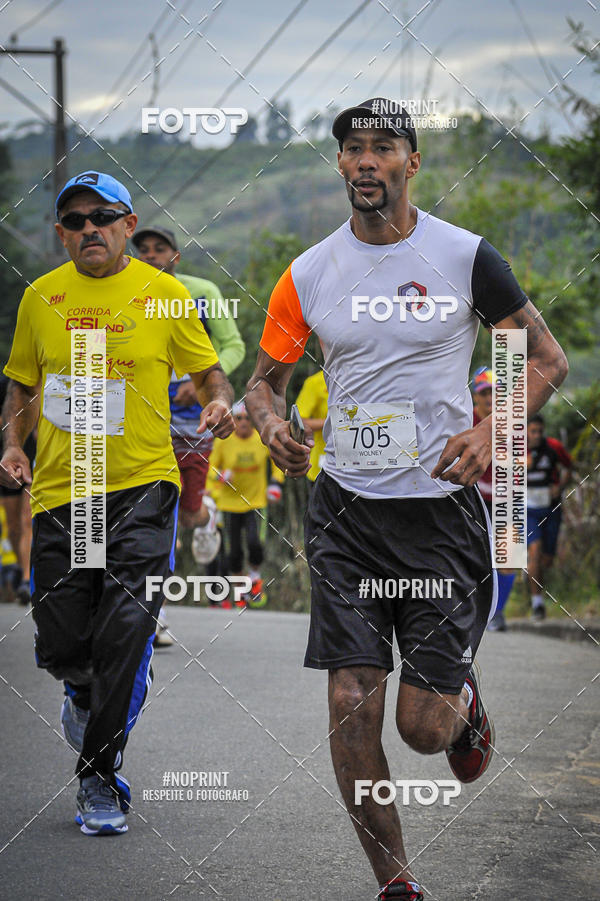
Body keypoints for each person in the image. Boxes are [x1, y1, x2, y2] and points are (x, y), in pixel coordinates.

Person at [245, 97, 568, 899]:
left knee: (424, 731)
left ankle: (465, 698)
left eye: (381, 147)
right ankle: (396, 883)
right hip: (346, 513)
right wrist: (272, 423)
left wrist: (493, 432)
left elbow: (547, 360)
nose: (363, 160)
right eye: (352, 148)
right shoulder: (309, 273)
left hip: (439, 514)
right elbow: (262, 383)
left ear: (410, 163)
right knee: (352, 698)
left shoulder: (464, 257)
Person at [0, 171, 234, 836]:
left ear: (129, 225)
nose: (88, 227)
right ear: (61, 233)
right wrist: (12, 444)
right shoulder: (41, 297)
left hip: (140, 488)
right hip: (67, 492)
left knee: (125, 630)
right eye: (74, 219)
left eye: (103, 215)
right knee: (63, 641)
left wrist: (217, 397)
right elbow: (20, 383)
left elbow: (208, 369)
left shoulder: (164, 297)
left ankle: (99, 777)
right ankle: (81, 689)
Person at [132, 226, 245, 639]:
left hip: (191, 424)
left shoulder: (201, 293)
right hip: (140, 429)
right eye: (142, 250)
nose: (150, 256)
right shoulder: (122, 296)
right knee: (155, 516)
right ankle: (155, 615)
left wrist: (200, 382)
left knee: (188, 511)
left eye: (159, 249)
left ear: (175, 256)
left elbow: (233, 347)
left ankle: (207, 515)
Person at [206, 401, 283, 607]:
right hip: (228, 503)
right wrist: (221, 475)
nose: (243, 422)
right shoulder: (224, 441)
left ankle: (255, 578)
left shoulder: (261, 439)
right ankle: (241, 592)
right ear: (232, 420)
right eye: (238, 418)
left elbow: (277, 461)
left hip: (255, 502)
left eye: (248, 418)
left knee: (255, 543)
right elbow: (210, 466)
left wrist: (276, 482)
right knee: (233, 552)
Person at [471, 366, 515, 632]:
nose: (490, 398)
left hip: (504, 500)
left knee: (508, 558)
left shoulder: (512, 422)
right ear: (476, 396)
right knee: (473, 559)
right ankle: (474, 610)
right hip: (472, 500)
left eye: (495, 393)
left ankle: (498, 614)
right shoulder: (466, 419)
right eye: (485, 392)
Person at [526, 413, 573, 621]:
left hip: (551, 508)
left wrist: (560, 486)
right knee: (534, 553)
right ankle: (537, 603)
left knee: (546, 559)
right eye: (532, 431)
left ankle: (534, 578)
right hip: (527, 510)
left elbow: (569, 467)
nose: (536, 435)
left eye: (539, 431)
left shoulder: (554, 447)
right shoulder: (515, 450)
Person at [0, 373, 34, 605]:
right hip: (5, 453)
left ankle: (26, 578)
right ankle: (23, 571)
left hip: (30, 449)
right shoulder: (5, 384)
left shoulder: (31, 378)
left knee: (26, 521)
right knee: (12, 525)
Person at [296, 368, 328, 486]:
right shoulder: (315, 382)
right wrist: (334, 421)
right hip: (323, 464)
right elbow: (298, 422)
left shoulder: (365, 378)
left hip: (361, 465)